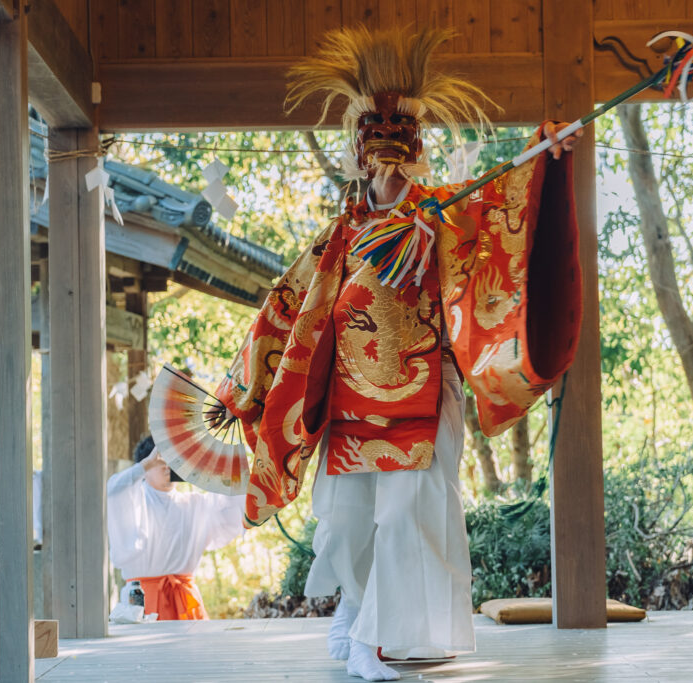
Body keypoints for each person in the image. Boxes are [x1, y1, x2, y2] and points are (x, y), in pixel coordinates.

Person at [214, 26, 583, 681]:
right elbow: (289, 309)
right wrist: (242, 386)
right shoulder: (341, 235)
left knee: (410, 508)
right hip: (353, 398)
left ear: (415, 147)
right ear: (360, 152)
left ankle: (374, 639)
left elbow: (506, 218)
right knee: (347, 526)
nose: (388, 156)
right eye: (376, 141)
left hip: (423, 388)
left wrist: (545, 153)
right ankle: (357, 609)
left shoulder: (446, 213)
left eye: (399, 139)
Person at [106, 435, 245, 621]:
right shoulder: (134, 501)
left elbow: (231, 508)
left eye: (173, 460)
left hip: (185, 601)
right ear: (145, 465)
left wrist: (212, 463)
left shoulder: (195, 504)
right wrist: (146, 464)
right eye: (160, 461)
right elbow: (113, 490)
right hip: (141, 601)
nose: (167, 466)